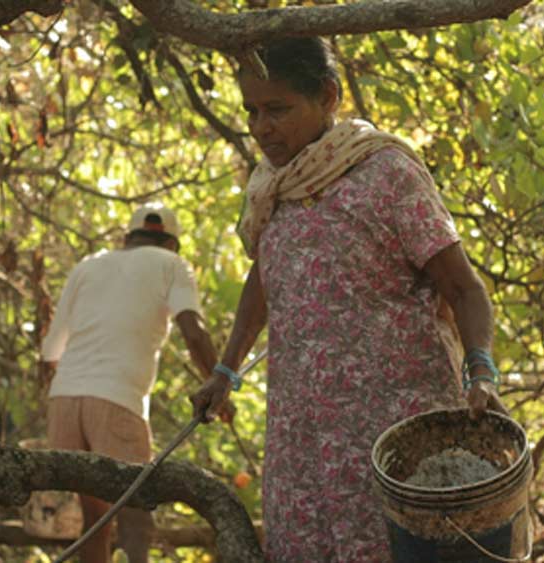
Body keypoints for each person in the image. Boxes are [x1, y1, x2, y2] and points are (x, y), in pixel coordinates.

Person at [190, 37, 506, 561]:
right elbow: (263, 277)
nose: (261, 127)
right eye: (251, 111)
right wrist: (224, 372)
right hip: (305, 435)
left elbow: (463, 288)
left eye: (278, 109)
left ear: (329, 97)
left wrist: (481, 372)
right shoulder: (273, 187)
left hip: (397, 430)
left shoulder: (384, 173)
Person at [42, 204, 218, 563]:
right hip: (116, 403)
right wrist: (219, 384)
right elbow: (194, 333)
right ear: (172, 244)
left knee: (95, 519)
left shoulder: (88, 265)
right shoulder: (172, 265)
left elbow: (50, 350)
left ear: (127, 239)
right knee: (135, 514)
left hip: (64, 401)